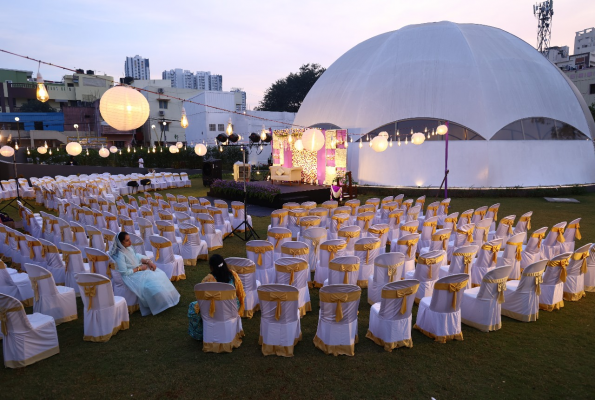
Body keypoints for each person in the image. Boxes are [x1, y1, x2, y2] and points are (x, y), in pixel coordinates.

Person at [110, 231, 180, 316]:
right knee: (151, 280)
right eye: (127, 240)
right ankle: (158, 302)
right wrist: (139, 268)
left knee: (159, 274)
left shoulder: (128, 248)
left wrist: (148, 261)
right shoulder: (120, 255)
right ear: (120, 243)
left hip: (137, 269)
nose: (130, 242)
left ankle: (166, 298)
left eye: (129, 239)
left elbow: (137, 256)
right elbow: (125, 272)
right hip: (130, 275)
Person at [187, 254, 245, 341]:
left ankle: (199, 334)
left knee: (193, 306)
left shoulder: (208, 280)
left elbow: (202, 298)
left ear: (211, 267)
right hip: (231, 308)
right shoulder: (233, 275)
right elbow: (240, 292)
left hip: (213, 311)